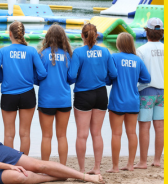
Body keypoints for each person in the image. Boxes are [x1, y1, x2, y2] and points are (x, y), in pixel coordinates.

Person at [0, 21, 47, 155]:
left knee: (9, 134)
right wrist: (29, 75)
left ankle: (11, 165)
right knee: (24, 133)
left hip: (8, 96)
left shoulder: (3, 51)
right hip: (27, 94)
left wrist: (7, 73)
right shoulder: (31, 51)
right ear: (24, 34)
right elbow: (42, 73)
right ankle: (24, 163)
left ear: (10, 34)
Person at [68, 23, 117, 175]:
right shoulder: (105, 51)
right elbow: (113, 74)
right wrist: (105, 81)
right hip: (101, 94)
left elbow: (71, 76)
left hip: (83, 95)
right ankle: (97, 168)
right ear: (97, 36)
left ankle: (82, 169)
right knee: (97, 133)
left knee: (82, 134)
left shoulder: (78, 52)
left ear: (82, 36)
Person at [106, 32, 151, 173]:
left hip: (118, 100)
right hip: (133, 100)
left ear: (118, 44)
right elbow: (147, 78)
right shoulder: (137, 60)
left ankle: (115, 167)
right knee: (132, 133)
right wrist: (134, 79)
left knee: (116, 134)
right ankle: (130, 165)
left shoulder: (114, 57)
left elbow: (108, 79)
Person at [36, 24, 73, 165]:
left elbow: (37, 76)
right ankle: (62, 168)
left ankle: (46, 168)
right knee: (62, 136)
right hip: (64, 99)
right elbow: (71, 78)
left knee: (46, 136)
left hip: (46, 99)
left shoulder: (42, 55)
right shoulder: (68, 55)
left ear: (48, 37)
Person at [133, 18, 164, 169]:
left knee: (144, 127)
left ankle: (143, 161)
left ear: (147, 32)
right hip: (163, 92)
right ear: (161, 33)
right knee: (160, 127)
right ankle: (157, 160)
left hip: (147, 90)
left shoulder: (141, 50)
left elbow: (138, 74)